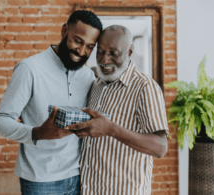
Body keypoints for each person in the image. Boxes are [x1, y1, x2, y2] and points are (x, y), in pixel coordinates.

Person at [0, 10, 102, 195]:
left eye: (90, 47)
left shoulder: (88, 75)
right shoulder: (30, 69)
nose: (82, 52)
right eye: (78, 41)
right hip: (39, 181)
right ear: (64, 30)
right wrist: (37, 132)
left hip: (78, 176)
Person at [66, 25, 169, 195]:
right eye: (100, 52)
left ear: (129, 52)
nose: (104, 60)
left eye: (113, 53)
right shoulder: (96, 82)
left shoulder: (145, 87)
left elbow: (160, 148)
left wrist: (111, 129)